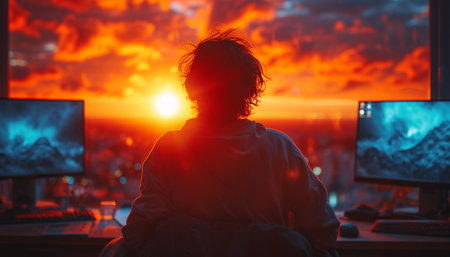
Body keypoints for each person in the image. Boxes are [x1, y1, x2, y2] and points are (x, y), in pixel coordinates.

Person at [100, 29, 340, 257]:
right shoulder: (280, 149)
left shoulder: (169, 148)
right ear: (250, 90)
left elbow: (142, 225)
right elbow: (322, 228)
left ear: (190, 87)